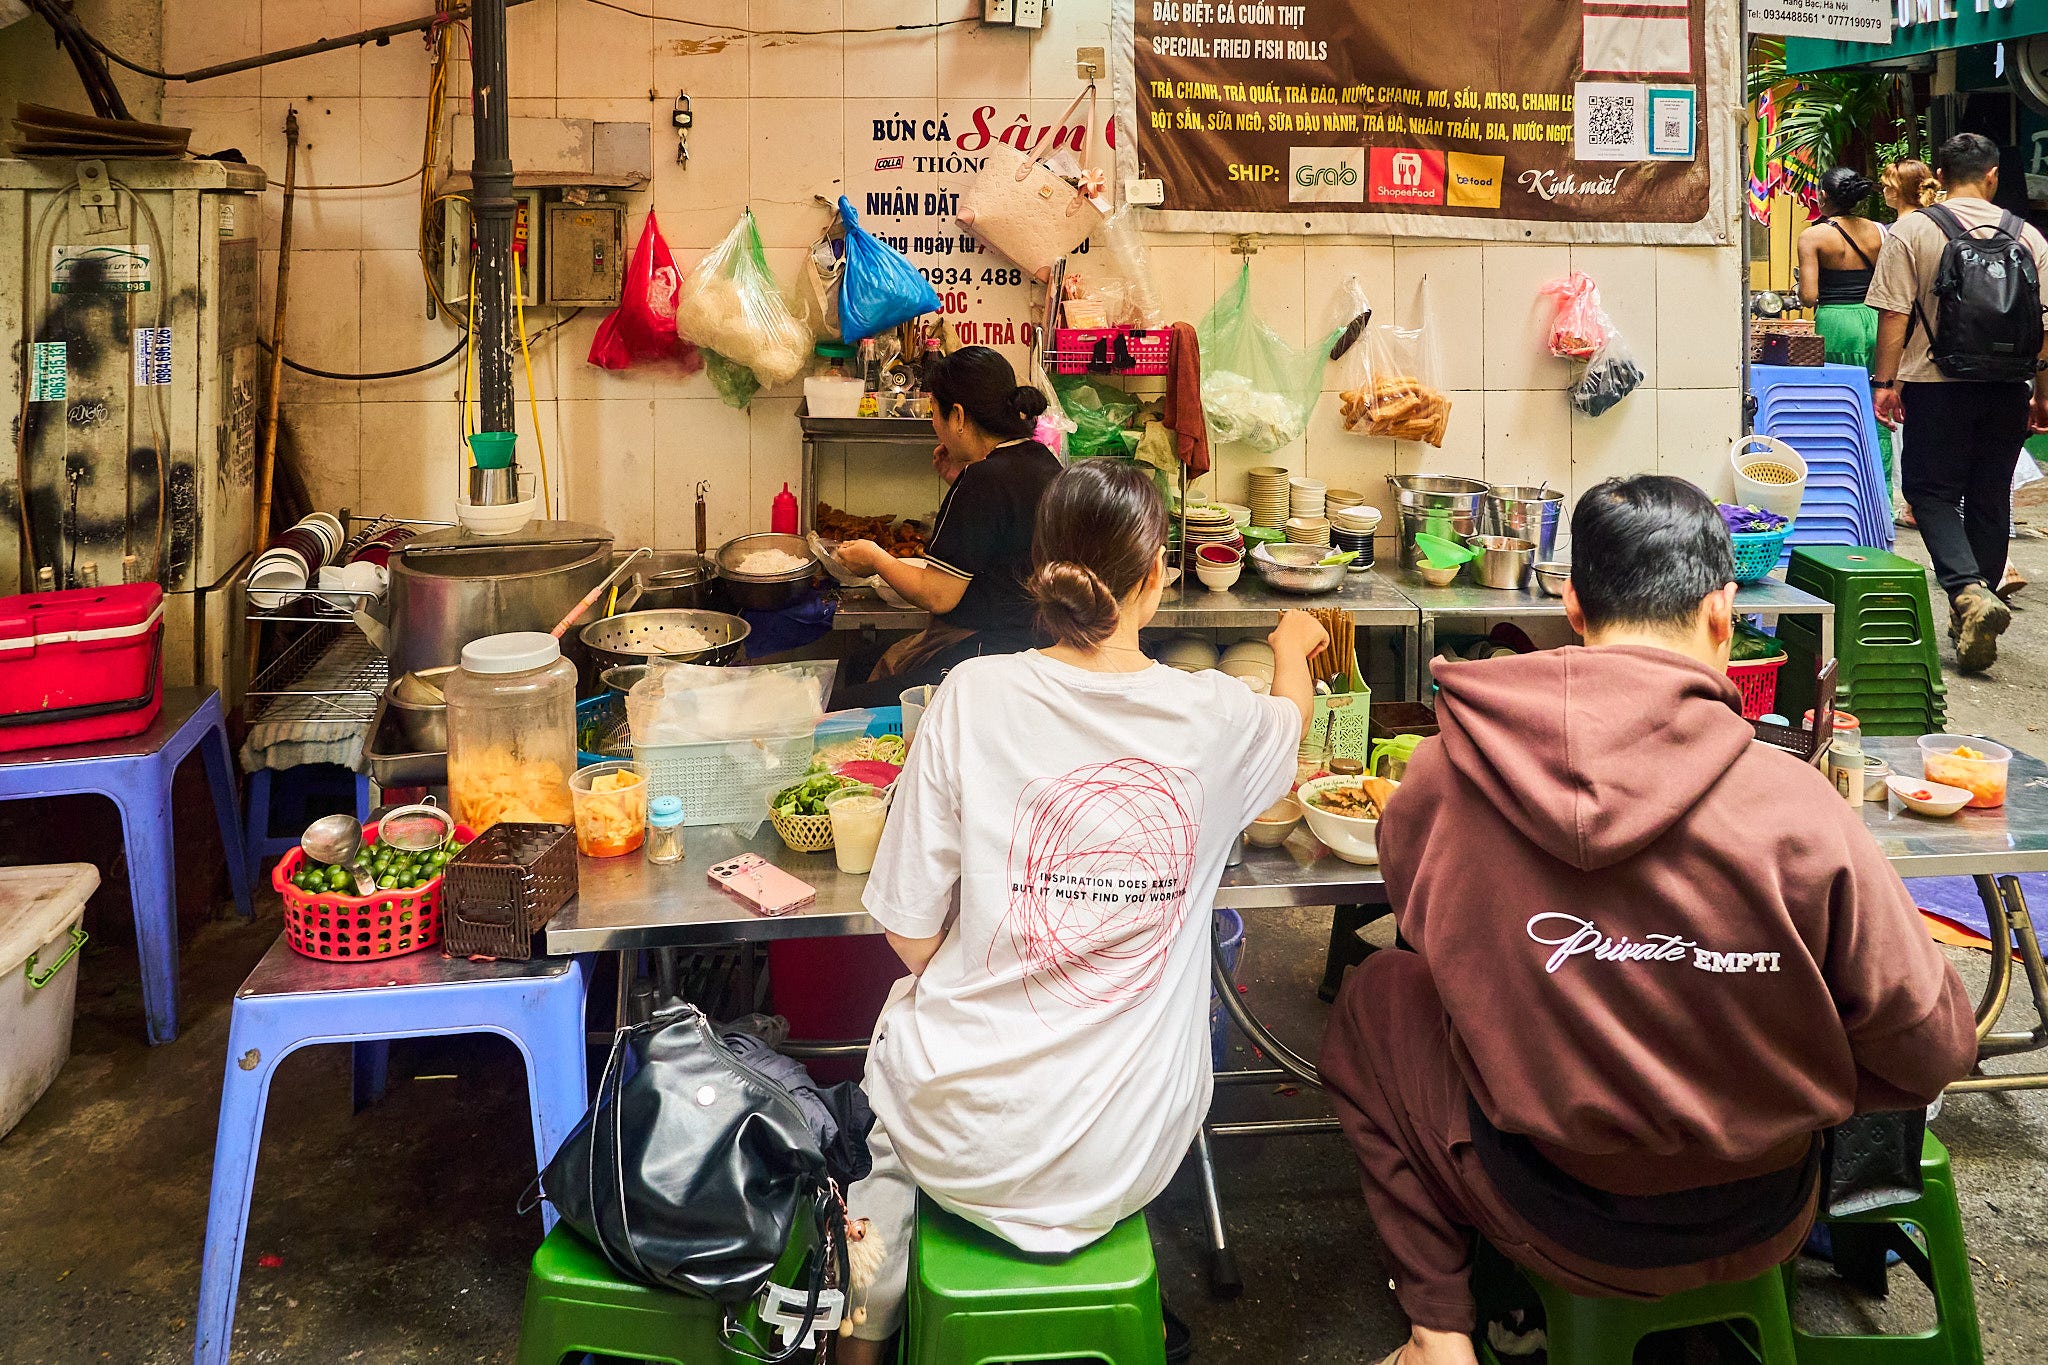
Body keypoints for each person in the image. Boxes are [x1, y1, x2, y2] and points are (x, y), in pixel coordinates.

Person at [1319, 476, 1977, 1365]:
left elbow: (1420, 921)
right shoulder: (1800, 807)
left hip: (1541, 1207)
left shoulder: (1446, 773)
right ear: (1722, 612)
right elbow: (1933, 1047)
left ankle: (1439, 1327)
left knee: (1377, 995)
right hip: (1763, 1211)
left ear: (1571, 604)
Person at [837, 461, 1329, 1363]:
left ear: (1040, 570)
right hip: (1129, 1152)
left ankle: (862, 1330)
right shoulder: (1220, 717)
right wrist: (1292, 645)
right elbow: (1290, 726)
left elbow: (908, 930)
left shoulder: (971, 695)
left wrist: (1001, 960)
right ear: (1156, 576)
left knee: (894, 1092)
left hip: (961, 1141)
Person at [1868, 132, 2048, 672]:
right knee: (1990, 495)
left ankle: (1968, 592)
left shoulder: (1913, 230)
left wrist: (1885, 382)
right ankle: (1973, 606)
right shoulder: (2030, 237)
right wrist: (2042, 393)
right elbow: (2045, 326)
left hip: (1935, 383)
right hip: (2009, 386)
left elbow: (1894, 314)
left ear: (1940, 177)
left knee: (1930, 492)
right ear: (1993, 176)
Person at [833, 347, 1061, 707]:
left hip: (988, 657)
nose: (933, 425)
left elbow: (938, 595)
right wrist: (959, 480)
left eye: (934, 412)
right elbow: (1002, 533)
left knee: (842, 706)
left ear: (958, 416)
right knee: (863, 662)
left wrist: (876, 559)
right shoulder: (1041, 460)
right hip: (1036, 647)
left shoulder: (982, 479)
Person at [1798, 166, 1894, 489]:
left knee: (1837, 402)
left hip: (1836, 322)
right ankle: (1879, 490)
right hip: (1875, 319)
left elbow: (1809, 296)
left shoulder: (1812, 237)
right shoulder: (1879, 231)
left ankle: (1839, 481)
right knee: (1876, 401)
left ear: (1823, 196)